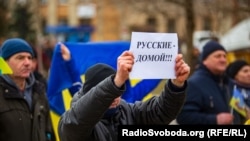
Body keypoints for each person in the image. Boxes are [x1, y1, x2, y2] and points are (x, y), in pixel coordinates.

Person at [58, 50, 190, 141]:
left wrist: (176, 84)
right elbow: (79, 120)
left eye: (118, 91)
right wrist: (116, 82)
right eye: (112, 91)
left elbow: (161, 111)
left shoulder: (129, 112)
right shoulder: (71, 121)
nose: (116, 98)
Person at [0, 38, 55, 141]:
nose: (27, 63)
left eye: (29, 58)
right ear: (5, 62)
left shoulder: (39, 91)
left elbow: (48, 130)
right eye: (20, 58)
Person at [176, 40, 241, 125]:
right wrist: (215, 119)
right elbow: (184, 117)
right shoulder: (194, 84)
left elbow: (239, 109)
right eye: (218, 56)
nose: (223, 60)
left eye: (225, 56)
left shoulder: (230, 83)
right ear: (205, 61)